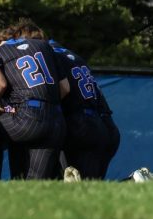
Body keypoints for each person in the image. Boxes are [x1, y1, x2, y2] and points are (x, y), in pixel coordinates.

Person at [0, 21, 69, 180]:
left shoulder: (0, 51)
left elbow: (1, 85)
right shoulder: (46, 47)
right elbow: (65, 88)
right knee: (35, 183)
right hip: (55, 121)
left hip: (25, 119)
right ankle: (63, 175)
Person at [49, 39, 121, 179]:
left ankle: (132, 182)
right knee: (91, 185)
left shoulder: (49, 54)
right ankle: (133, 181)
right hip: (104, 123)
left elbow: (63, 89)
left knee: (73, 182)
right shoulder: (73, 56)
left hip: (81, 124)